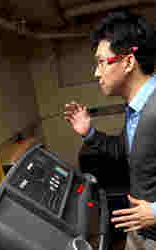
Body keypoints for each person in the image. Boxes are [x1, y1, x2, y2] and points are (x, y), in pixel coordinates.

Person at [64, 10, 156, 250]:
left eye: (101, 62)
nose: (96, 72)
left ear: (127, 62)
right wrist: (89, 132)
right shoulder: (136, 107)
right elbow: (129, 151)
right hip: (141, 229)